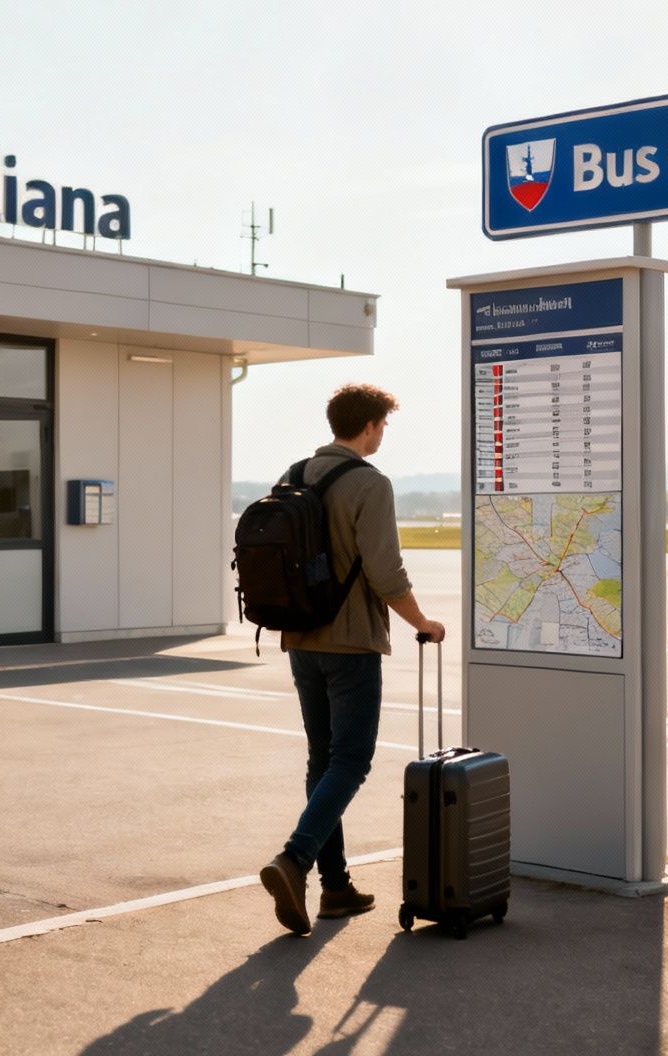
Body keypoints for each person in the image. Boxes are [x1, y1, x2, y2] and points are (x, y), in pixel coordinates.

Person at [260, 383, 448, 936]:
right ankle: (295, 860)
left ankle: (335, 887)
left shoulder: (292, 476)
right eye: (383, 425)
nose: (383, 434)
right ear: (367, 426)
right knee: (351, 761)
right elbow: (385, 573)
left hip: (300, 639)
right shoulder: (370, 483)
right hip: (350, 645)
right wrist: (424, 624)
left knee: (323, 761)